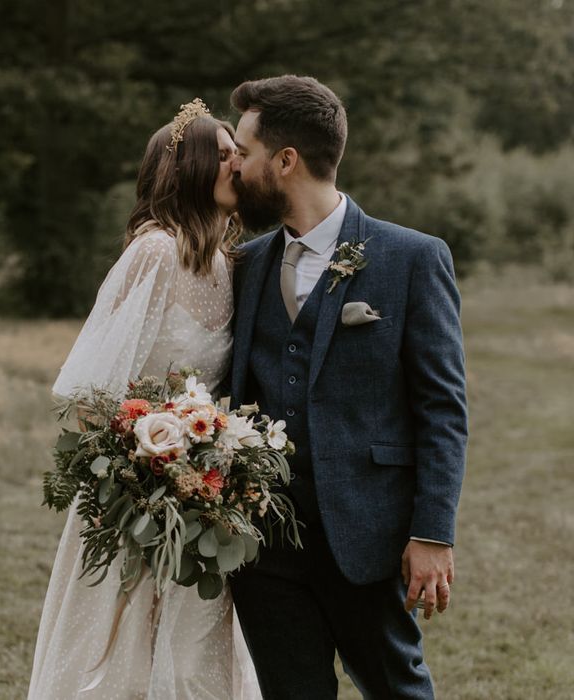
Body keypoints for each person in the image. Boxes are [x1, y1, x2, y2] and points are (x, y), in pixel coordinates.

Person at [226, 75, 468, 699]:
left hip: (369, 535)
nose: (236, 168)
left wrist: (432, 532)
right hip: (263, 546)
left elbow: (442, 409)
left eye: (245, 153)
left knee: (397, 690)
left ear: (286, 161)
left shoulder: (412, 258)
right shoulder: (246, 264)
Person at [27, 99, 262, 700]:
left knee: (193, 661)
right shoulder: (155, 252)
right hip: (134, 498)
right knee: (120, 659)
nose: (239, 166)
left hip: (203, 496)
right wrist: (143, 473)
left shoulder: (229, 264)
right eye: (227, 155)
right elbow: (88, 392)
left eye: (240, 154)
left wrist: (210, 466)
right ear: (191, 168)